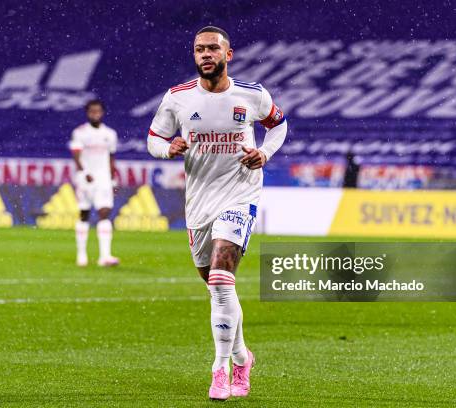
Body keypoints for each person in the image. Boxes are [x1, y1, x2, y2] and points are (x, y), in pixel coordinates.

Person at [147, 26, 287, 400]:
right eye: (199, 49)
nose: (205, 54)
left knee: (222, 280)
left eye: (213, 48)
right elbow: (154, 138)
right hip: (199, 204)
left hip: (240, 196)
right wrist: (167, 150)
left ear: (229, 54)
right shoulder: (177, 98)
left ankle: (220, 370)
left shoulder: (252, 95)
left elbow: (279, 125)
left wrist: (266, 153)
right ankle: (242, 356)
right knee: (215, 285)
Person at [69, 99, 119, 267]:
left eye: (97, 111)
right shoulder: (80, 132)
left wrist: (113, 179)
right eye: (92, 111)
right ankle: (81, 255)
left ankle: (104, 256)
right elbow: (76, 154)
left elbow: (111, 158)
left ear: (102, 113)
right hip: (85, 179)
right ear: (87, 113)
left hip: (103, 179)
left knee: (104, 212)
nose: (95, 114)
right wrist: (84, 173)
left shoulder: (110, 134)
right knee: (84, 214)